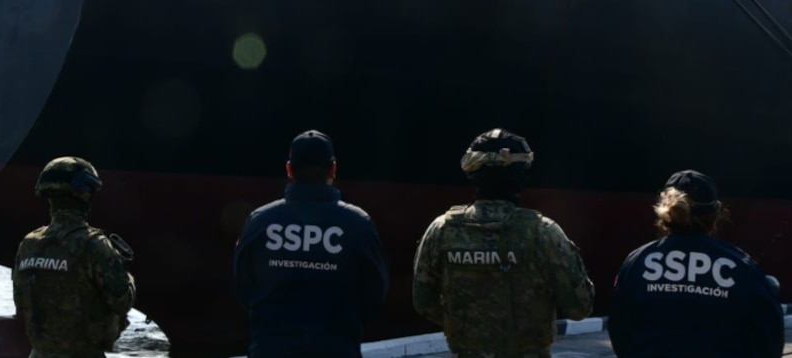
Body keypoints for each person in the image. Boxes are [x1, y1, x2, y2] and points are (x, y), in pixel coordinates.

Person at [412, 128, 594, 357]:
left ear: (471, 174)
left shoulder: (441, 230)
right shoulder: (543, 232)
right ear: (522, 177)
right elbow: (580, 307)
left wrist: (468, 328)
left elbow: (423, 301)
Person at [233, 130, 389, 358]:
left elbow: (243, 284)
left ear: (289, 169)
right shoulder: (358, 224)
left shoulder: (260, 222)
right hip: (336, 349)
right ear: (333, 169)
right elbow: (375, 291)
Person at [609, 170, 784, 357]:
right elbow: (769, 338)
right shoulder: (741, 266)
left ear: (665, 212)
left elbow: (620, 329)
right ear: (716, 214)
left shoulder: (638, 262)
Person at [12, 156, 136, 358]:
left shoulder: (29, 244)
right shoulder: (94, 245)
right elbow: (122, 301)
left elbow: (20, 302)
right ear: (85, 196)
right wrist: (124, 272)